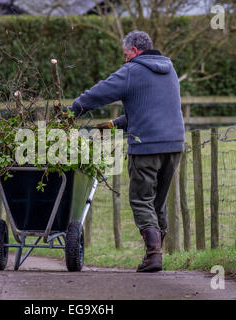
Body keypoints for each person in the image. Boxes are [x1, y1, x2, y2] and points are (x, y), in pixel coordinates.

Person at [69, 30, 185, 272]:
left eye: (125, 54)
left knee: (141, 199)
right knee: (157, 202)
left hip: (146, 146)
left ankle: (154, 255)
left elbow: (100, 92)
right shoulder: (169, 70)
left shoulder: (132, 70)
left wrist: (73, 110)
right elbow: (149, 109)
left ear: (134, 50)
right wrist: (114, 124)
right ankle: (154, 254)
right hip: (174, 144)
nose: (125, 59)